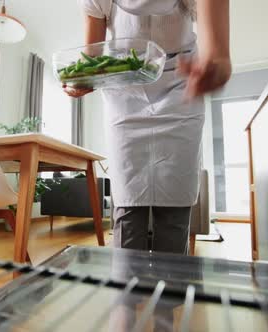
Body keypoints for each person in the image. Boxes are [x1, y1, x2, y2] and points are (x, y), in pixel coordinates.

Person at [68, 0, 231, 254]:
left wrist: (217, 63)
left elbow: (217, 56)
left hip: (181, 86)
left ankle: (173, 289)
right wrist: (79, 77)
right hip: (124, 90)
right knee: (128, 206)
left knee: (174, 206)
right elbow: (91, 58)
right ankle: (125, 290)